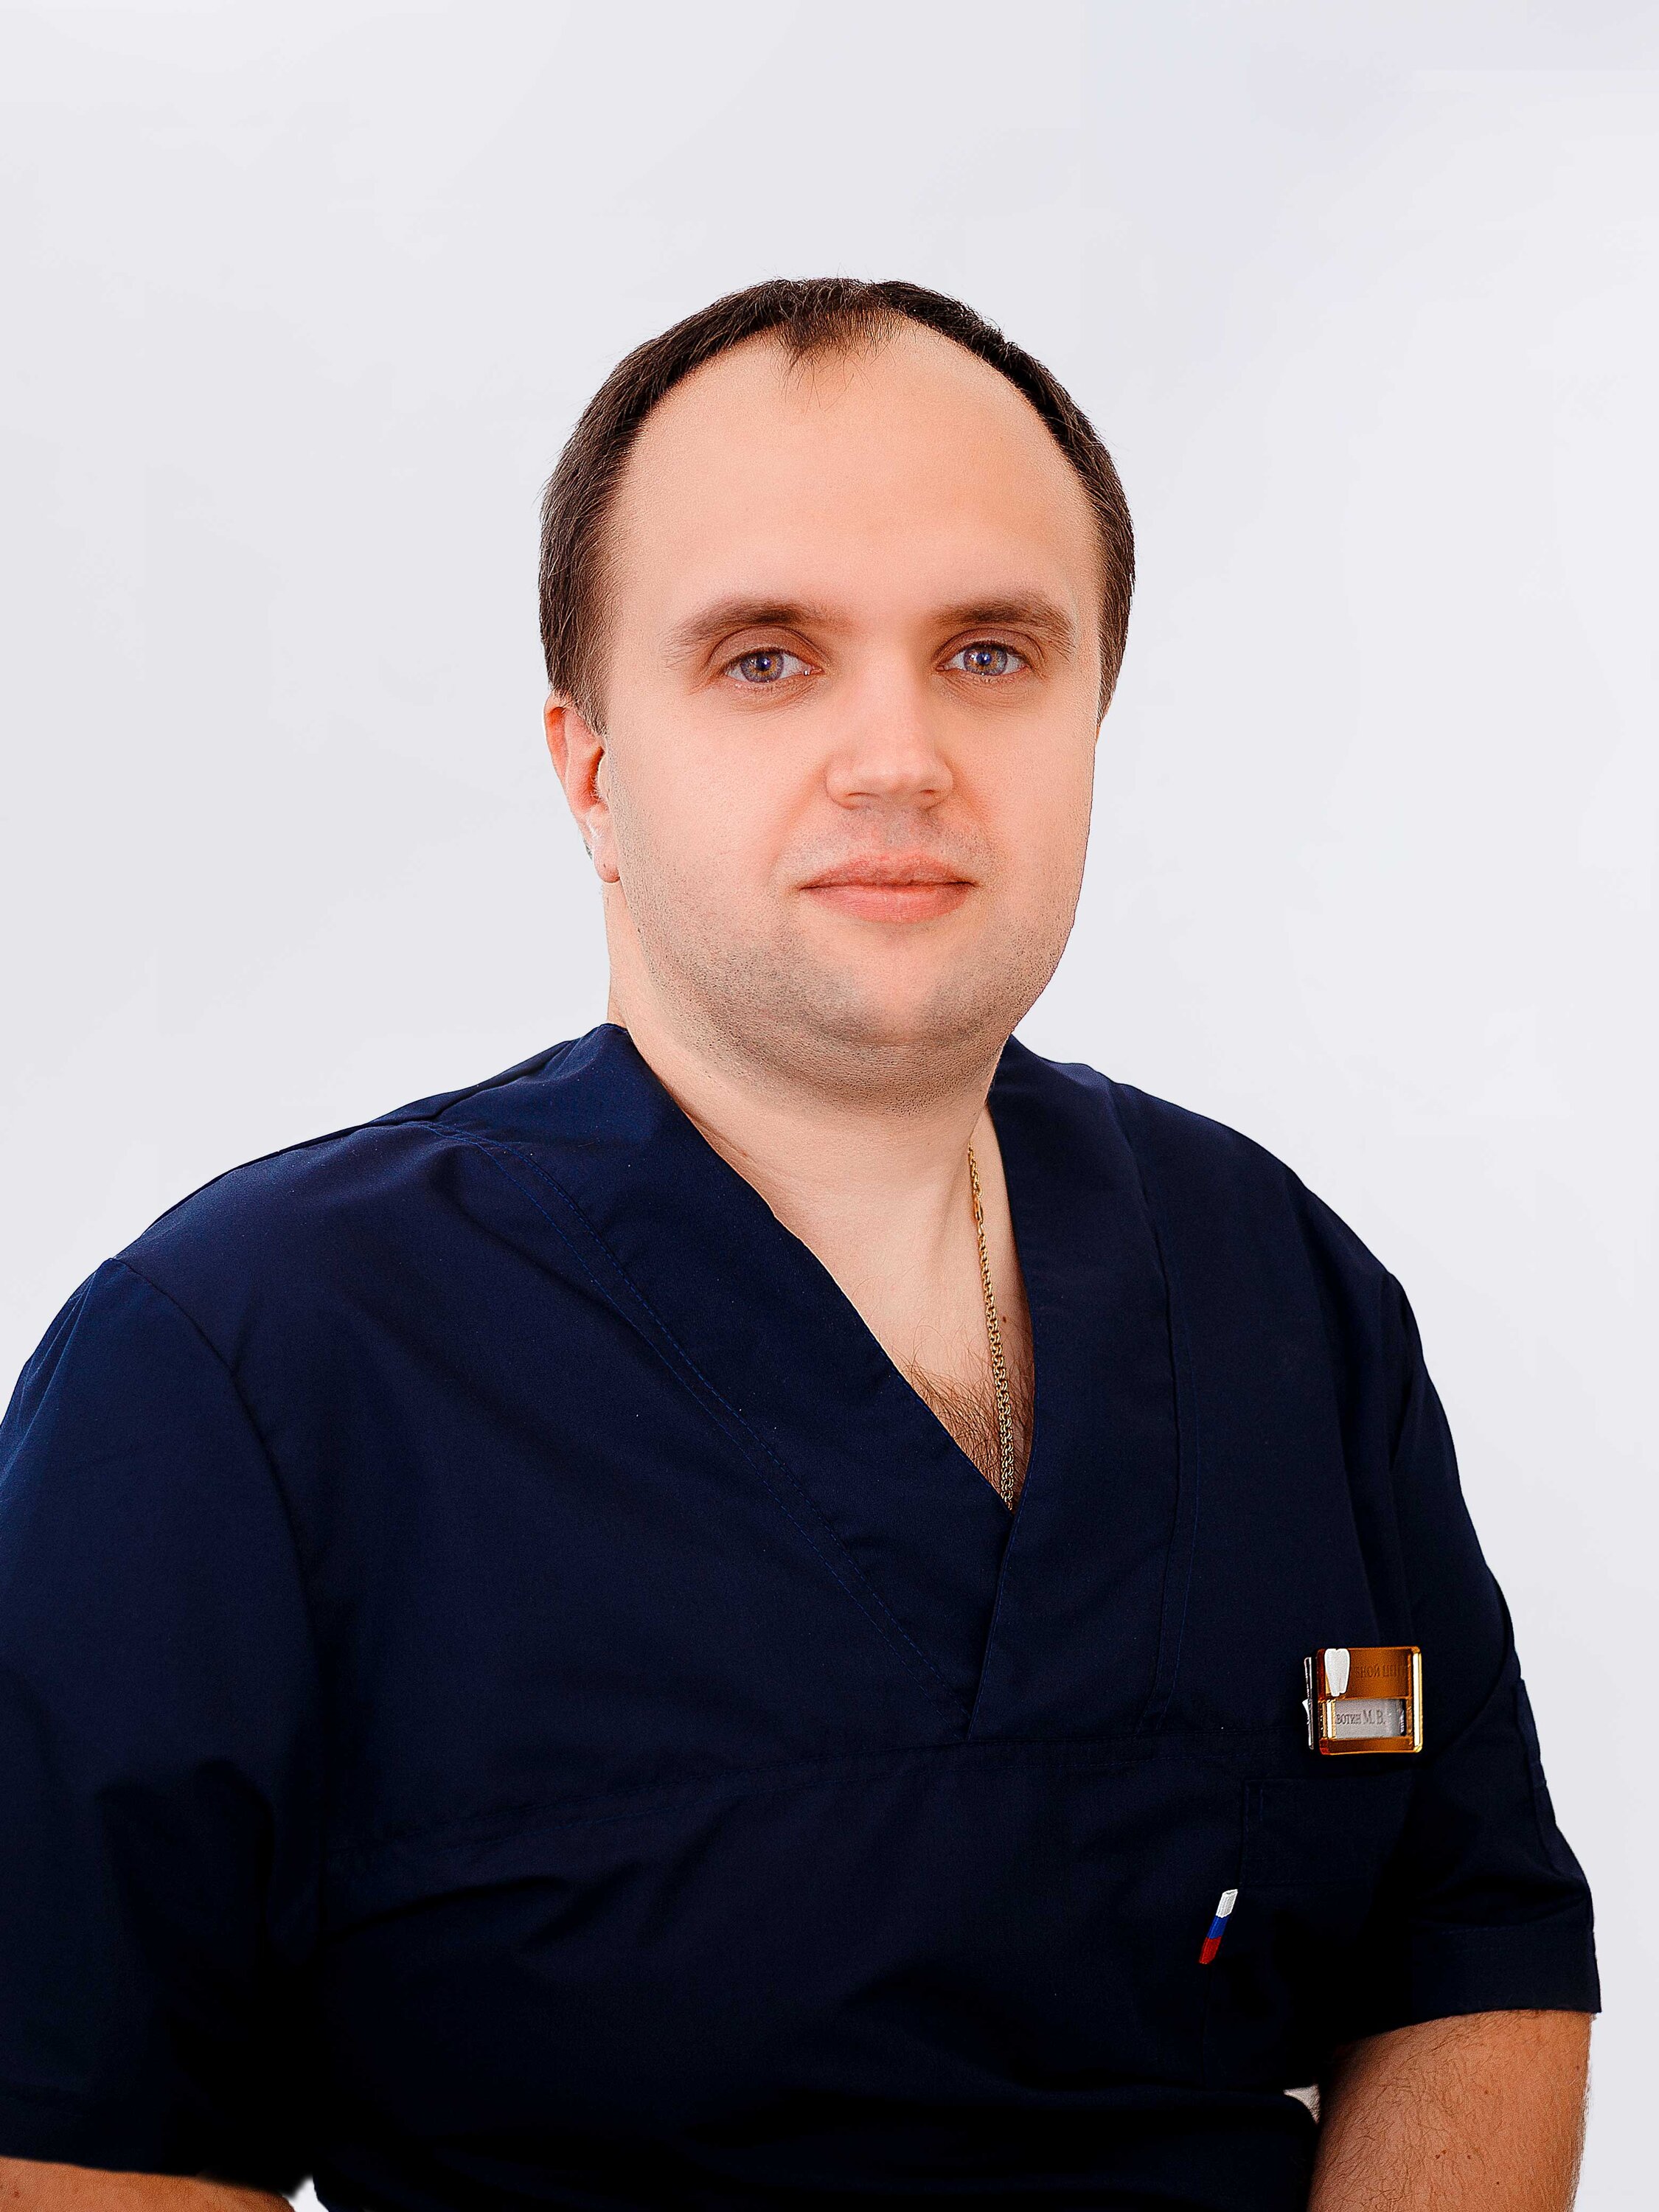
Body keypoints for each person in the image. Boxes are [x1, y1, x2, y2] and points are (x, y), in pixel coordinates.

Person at [0, 278, 1596, 2212]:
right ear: (593, 770)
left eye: (991, 653)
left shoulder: (1278, 1288)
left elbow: (1470, 1951)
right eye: (766, 659)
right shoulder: (238, 1366)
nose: (897, 755)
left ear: (1094, 718)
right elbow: (72, 2137)